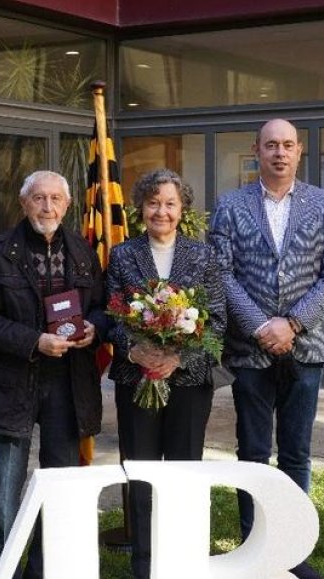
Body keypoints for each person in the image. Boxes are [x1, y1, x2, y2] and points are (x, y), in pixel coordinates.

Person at [208, 118, 324, 579]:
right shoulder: (230, 206)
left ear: (300, 150)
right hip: (250, 348)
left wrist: (291, 323)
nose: (280, 153)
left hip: (307, 346)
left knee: (296, 452)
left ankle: (291, 548)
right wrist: (260, 325)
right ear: (256, 151)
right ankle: (254, 547)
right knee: (251, 450)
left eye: (288, 145)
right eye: (271, 145)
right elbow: (221, 273)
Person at [0, 170, 106, 579]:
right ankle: (2, 570)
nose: (47, 207)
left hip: (67, 384)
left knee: (58, 486)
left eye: (56, 199)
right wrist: (34, 340)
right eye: (38, 198)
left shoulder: (82, 251)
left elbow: (99, 306)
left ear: (68, 205)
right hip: (10, 383)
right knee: (6, 492)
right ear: (24, 204)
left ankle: (44, 570)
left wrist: (95, 328)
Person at [105, 169, 226, 579]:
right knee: (140, 475)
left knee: (184, 473)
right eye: (154, 202)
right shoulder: (122, 255)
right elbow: (112, 314)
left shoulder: (204, 256)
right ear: (141, 208)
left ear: (182, 209)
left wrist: (177, 358)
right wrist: (133, 348)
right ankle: (145, 565)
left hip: (188, 384)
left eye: (170, 203)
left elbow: (218, 321)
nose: (162, 211)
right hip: (135, 380)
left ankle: (183, 562)